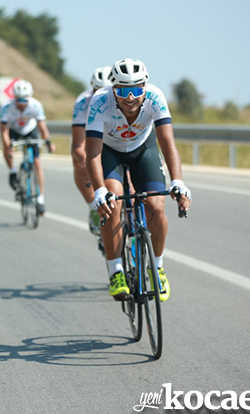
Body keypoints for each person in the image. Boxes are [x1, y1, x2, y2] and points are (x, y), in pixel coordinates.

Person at [85, 58, 192, 301]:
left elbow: (168, 143)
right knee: (113, 205)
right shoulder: (100, 101)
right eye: (123, 90)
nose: (130, 97)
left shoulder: (155, 97)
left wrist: (178, 181)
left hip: (144, 150)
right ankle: (116, 272)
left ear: (145, 87)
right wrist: (99, 190)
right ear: (114, 89)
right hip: (110, 152)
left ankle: (158, 268)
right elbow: (93, 152)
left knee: (155, 206)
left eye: (136, 90)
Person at [72, 67, 112, 247]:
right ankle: (93, 208)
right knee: (78, 161)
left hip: (115, 142)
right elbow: (78, 144)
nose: (101, 95)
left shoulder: (121, 99)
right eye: (97, 91)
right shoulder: (83, 102)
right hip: (94, 143)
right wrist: (85, 165)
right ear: (91, 89)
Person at [0, 79, 53, 214]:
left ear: (29, 98)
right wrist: (8, 146)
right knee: (6, 149)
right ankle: (12, 172)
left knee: (37, 162)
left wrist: (48, 141)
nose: (21, 103)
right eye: (19, 100)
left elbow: (42, 127)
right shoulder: (6, 108)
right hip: (13, 130)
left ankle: (40, 199)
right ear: (14, 98)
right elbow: (4, 131)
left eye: (24, 100)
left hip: (30, 129)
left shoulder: (36, 106)